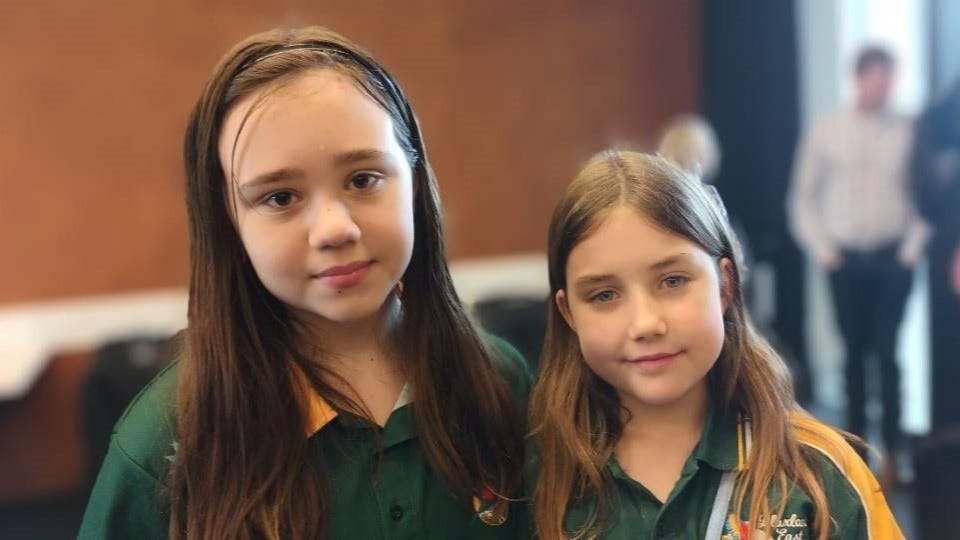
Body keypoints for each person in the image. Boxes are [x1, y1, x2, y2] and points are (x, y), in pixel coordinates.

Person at [79, 26, 530, 539]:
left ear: (415, 184)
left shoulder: (499, 382)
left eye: (363, 179)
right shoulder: (166, 440)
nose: (335, 229)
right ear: (229, 223)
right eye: (280, 198)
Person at [529, 150, 901, 539]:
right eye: (604, 295)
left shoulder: (819, 470)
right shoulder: (538, 477)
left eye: (672, 281)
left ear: (725, 285)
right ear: (568, 313)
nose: (645, 324)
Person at [787, 45, 927, 480]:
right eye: (875, 77)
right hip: (844, 262)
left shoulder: (909, 130)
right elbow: (802, 197)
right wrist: (824, 250)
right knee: (853, 355)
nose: (882, 86)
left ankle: (895, 451)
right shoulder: (827, 131)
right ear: (859, 78)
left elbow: (926, 195)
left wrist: (912, 249)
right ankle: (856, 453)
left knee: (888, 353)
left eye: (889, 78)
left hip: (893, 259)